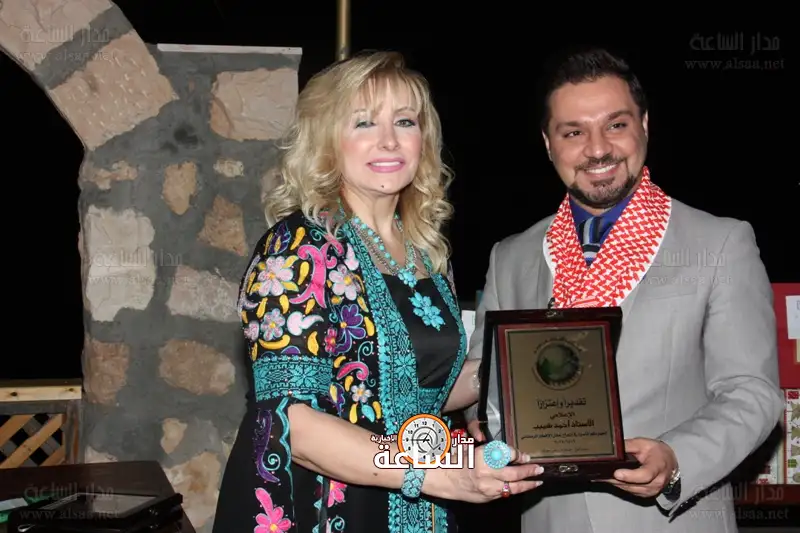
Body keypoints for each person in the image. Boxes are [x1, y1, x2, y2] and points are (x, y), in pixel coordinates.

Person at [212, 51, 543, 533]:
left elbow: (414, 390)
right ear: (328, 139)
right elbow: (292, 422)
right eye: (364, 122)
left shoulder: (427, 253)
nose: (389, 139)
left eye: (405, 121)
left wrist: (520, 364)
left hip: (418, 506)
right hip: (315, 507)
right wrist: (435, 473)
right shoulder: (298, 249)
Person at [464, 47, 784, 533]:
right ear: (548, 144)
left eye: (615, 125)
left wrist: (677, 457)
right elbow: (483, 380)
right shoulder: (511, 257)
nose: (597, 149)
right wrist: (487, 424)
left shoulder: (719, 243)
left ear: (645, 126)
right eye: (573, 132)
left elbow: (752, 392)